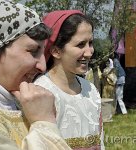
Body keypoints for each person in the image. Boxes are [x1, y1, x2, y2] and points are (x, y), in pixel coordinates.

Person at [0, 0, 73, 149]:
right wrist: (44, 121)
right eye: (33, 51)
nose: (42, 66)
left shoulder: (17, 101)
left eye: (43, 52)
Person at [34, 10, 105, 149]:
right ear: (56, 51)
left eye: (90, 43)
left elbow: (100, 139)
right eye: (80, 44)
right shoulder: (41, 92)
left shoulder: (90, 90)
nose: (89, 52)